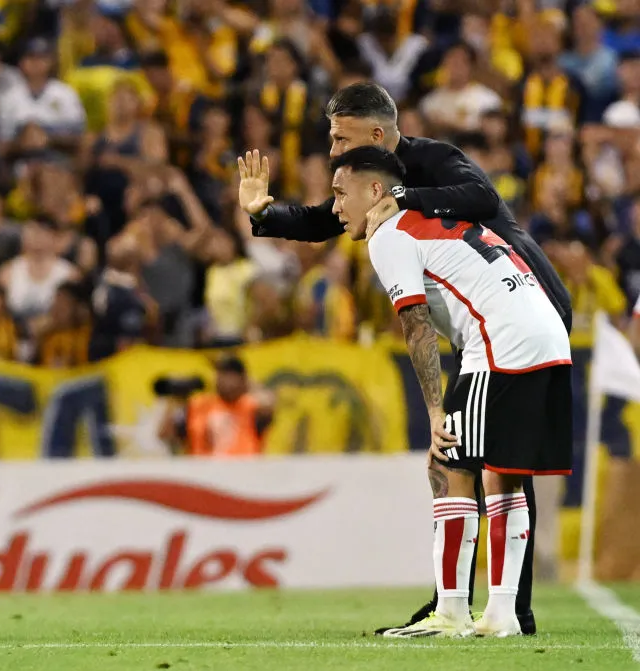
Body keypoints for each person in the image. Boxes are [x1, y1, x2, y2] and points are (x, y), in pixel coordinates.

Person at [237, 82, 573, 636]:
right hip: (496, 317)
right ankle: (482, 604)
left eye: (340, 138)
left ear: (376, 136)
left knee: (484, 463)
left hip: (526, 300)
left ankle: (496, 606)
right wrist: (266, 213)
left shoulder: (430, 164)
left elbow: (482, 200)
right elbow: (326, 219)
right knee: (492, 464)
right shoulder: (369, 191)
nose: (332, 150)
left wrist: (405, 200)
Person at [330, 146, 573, 637]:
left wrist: (437, 410)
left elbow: (416, 326)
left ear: (375, 191)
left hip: (501, 339)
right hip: (545, 332)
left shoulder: (390, 235)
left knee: (448, 461)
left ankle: (453, 612)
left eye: (340, 193)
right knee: (501, 472)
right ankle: (501, 613)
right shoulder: (432, 219)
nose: (335, 207)